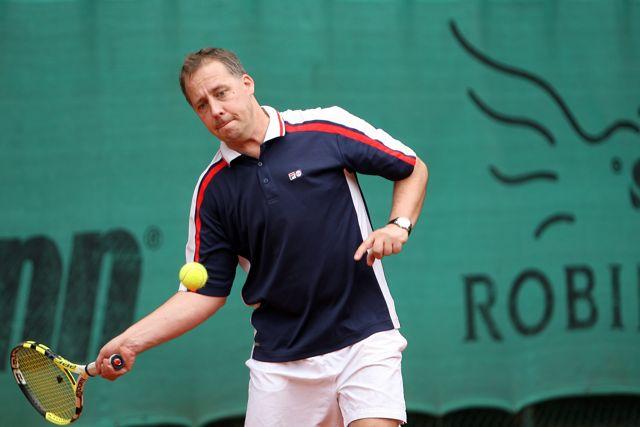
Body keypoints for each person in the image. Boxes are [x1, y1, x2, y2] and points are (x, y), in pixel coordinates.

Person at [96, 47, 428, 427]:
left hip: (364, 338)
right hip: (281, 363)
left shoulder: (325, 129)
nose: (216, 110)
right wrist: (131, 340)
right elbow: (204, 291)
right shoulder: (213, 191)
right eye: (202, 105)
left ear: (247, 84)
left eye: (221, 93)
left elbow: (411, 167)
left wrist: (398, 225)